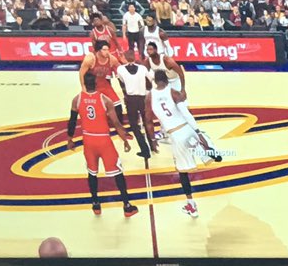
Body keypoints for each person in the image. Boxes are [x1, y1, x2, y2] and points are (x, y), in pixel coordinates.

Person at [64, 69, 137, 219]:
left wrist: (70, 139)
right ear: (96, 83)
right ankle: (127, 206)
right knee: (118, 173)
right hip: (103, 140)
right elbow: (116, 123)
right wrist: (124, 139)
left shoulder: (77, 99)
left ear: (84, 83)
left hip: (88, 140)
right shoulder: (105, 100)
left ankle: (96, 204)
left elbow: (72, 121)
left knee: (92, 173)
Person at [149, 67, 205, 217]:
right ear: (167, 80)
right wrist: (198, 132)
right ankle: (206, 152)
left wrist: (152, 140)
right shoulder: (173, 92)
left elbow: (148, 121)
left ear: (155, 81)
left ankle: (191, 205)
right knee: (208, 156)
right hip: (188, 129)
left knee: (182, 172)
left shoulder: (149, 96)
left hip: (176, 134)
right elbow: (186, 113)